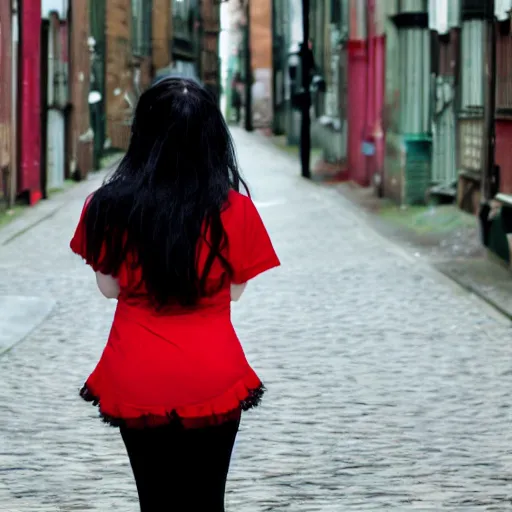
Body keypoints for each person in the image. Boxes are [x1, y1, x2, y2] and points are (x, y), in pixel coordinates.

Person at [70, 78, 280, 511]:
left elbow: (109, 288)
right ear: (212, 137)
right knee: (207, 500)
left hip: (137, 372)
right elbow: (235, 292)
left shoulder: (106, 205)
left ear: (142, 132)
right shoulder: (236, 210)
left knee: (155, 499)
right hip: (212, 373)